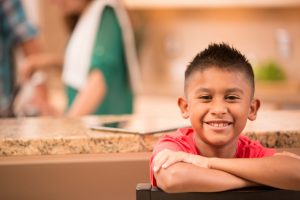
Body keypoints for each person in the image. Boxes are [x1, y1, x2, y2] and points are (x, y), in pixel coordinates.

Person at [150, 43, 300, 192]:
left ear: (252, 109)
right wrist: (258, 179)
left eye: (232, 97)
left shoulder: (251, 152)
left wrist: (208, 163)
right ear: (185, 107)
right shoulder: (174, 146)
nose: (219, 109)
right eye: (206, 97)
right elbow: (173, 178)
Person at [49, 0, 140, 117]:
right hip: (84, 126)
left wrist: (68, 123)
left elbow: (99, 79)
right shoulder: (85, 17)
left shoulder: (106, 13)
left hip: (99, 128)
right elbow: (82, 67)